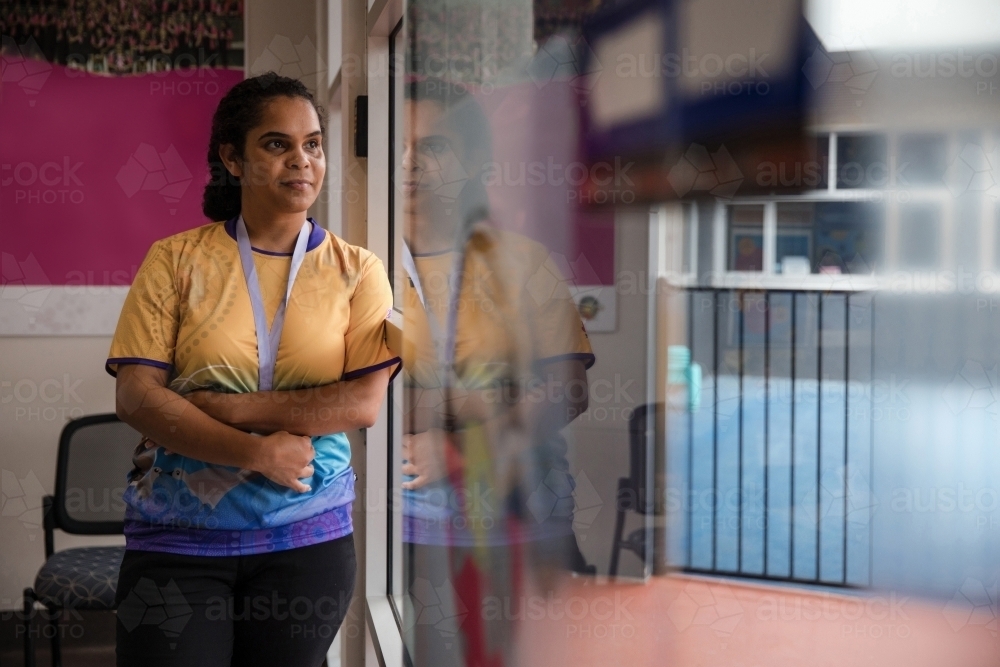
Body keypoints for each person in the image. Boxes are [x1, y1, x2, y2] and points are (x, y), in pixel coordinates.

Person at [107, 73, 400, 667]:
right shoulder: (175, 259)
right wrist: (257, 453)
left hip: (306, 540)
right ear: (233, 159)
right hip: (180, 539)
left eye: (313, 144)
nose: (302, 160)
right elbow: (137, 399)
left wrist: (228, 408)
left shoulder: (358, 269)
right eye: (277, 144)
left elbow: (361, 404)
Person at [398, 78, 595, 666]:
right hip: (403, 535)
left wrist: (457, 441)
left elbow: (567, 390)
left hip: (521, 514)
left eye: (430, 147)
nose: (410, 165)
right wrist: (501, 393)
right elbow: (353, 397)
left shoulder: (521, 261)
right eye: (399, 147)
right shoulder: (358, 267)